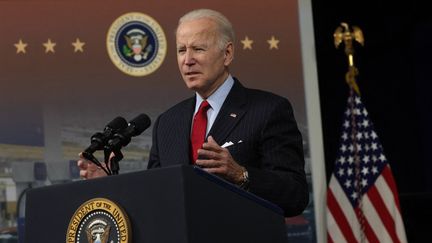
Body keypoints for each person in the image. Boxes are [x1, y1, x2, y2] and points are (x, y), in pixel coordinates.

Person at [78, 8, 308, 217]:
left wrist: (241, 175)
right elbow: (154, 200)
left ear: (227, 54)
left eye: (198, 49)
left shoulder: (268, 110)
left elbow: (295, 195)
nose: (187, 60)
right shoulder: (167, 123)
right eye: (181, 50)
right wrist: (108, 185)